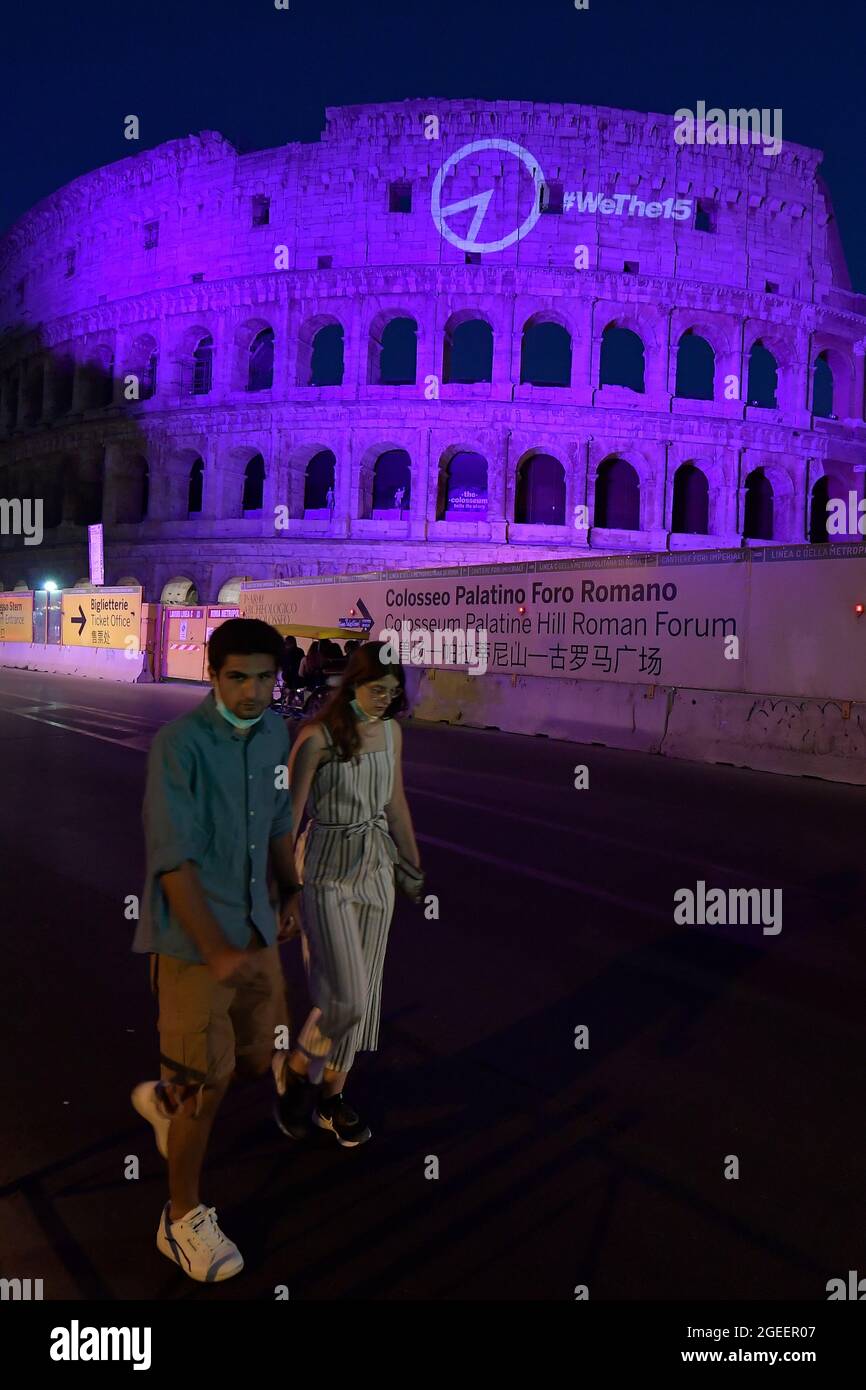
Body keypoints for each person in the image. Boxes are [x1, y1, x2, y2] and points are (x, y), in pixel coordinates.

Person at [130, 618, 302, 1282]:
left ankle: (163, 1102)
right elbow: (171, 858)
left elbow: (282, 819)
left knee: (258, 1061)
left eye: (265, 677)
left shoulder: (276, 735)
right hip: (193, 942)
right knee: (204, 1086)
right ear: (212, 673)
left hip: (256, 930)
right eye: (238, 677)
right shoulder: (179, 746)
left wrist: (290, 890)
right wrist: (213, 948)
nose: (254, 692)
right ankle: (180, 1220)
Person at [273, 642, 422, 1146]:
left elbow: (396, 802)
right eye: (376, 689)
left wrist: (411, 863)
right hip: (324, 868)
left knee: (367, 991)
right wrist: (284, 895)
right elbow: (288, 819)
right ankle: (296, 1071)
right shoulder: (315, 737)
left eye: (393, 692)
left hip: (376, 865)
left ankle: (331, 1097)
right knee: (346, 997)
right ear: (352, 683)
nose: (384, 700)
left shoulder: (392, 733)